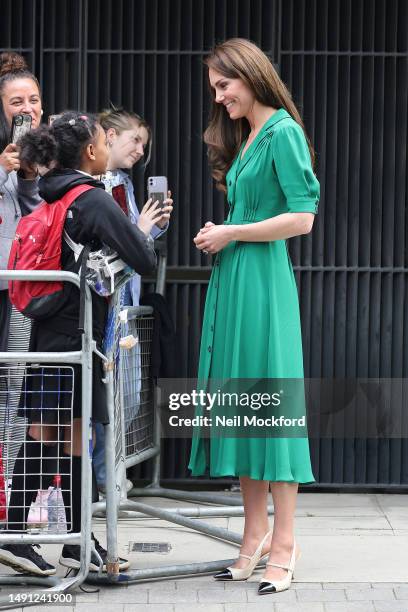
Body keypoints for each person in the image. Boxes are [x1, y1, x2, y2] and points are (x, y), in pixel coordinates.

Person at [0, 111, 161, 576]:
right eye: (103, 142)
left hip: (50, 329)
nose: (110, 147)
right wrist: (143, 231)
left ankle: (68, 542)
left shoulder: (52, 193)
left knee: (56, 433)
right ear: (91, 152)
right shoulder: (91, 199)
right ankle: (36, 535)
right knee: (66, 435)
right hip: (79, 334)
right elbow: (143, 257)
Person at [188, 38, 320, 595]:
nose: (219, 97)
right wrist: (225, 236)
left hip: (263, 282)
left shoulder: (283, 133)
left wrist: (231, 231)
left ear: (250, 74)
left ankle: (284, 543)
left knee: (273, 409)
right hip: (238, 280)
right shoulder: (247, 140)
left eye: (225, 84)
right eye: (215, 88)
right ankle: (253, 535)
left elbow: (303, 218)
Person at [92, 107, 173, 491]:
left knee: (126, 395)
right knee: (102, 400)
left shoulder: (123, 181)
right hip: (104, 306)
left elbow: (135, 244)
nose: (141, 150)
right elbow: (115, 246)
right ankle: (100, 479)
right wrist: (140, 229)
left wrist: (152, 228)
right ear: (108, 135)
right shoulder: (93, 185)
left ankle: (110, 474)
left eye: (144, 143)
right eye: (134, 140)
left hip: (126, 307)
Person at [0, 51, 42, 351]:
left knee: (13, 377)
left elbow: (39, 219)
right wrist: (2, 168)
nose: (28, 110)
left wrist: (29, 178)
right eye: (17, 102)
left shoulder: (46, 152)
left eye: (35, 100)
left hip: (22, 284)